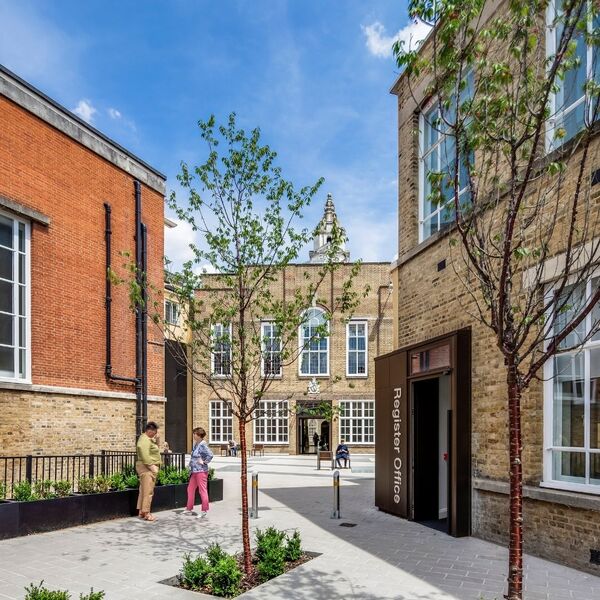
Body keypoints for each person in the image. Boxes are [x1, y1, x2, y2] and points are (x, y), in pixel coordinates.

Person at [184, 427, 214, 518]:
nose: (193, 435)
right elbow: (194, 457)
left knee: (202, 491)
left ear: (199, 435)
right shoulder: (196, 444)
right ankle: (189, 509)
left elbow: (210, 455)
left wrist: (204, 462)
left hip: (201, 471)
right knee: (190, 489)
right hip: (194, 471)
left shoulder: (203, 445)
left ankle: (204, 510)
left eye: (194, 434)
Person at [136, 421, 161, 522]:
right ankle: (147, 513)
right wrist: (151, 466)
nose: (155, 434)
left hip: (146, 467)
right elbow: (142, 451)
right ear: (150, 431)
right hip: (147, 468)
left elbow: (155, 449)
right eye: (155, 432)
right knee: (148, 491)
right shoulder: (145, 439)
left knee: (143, 490)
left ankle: (142, 511)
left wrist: (157, 440)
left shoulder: (147, 439)